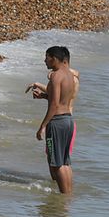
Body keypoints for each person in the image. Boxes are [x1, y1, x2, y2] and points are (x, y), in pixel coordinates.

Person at [29, 45, 79, 193]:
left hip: (57, 122)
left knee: (56, 164)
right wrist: (44, 96)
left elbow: (54, 105)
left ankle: (63, 199)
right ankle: (68, 194)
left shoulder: (56, 75)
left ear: (54, 59)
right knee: (65, 161)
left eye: (47, 57)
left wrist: (42, 126)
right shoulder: (70, 75)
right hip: (68, 120)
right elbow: (63, 99)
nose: (45, 61)